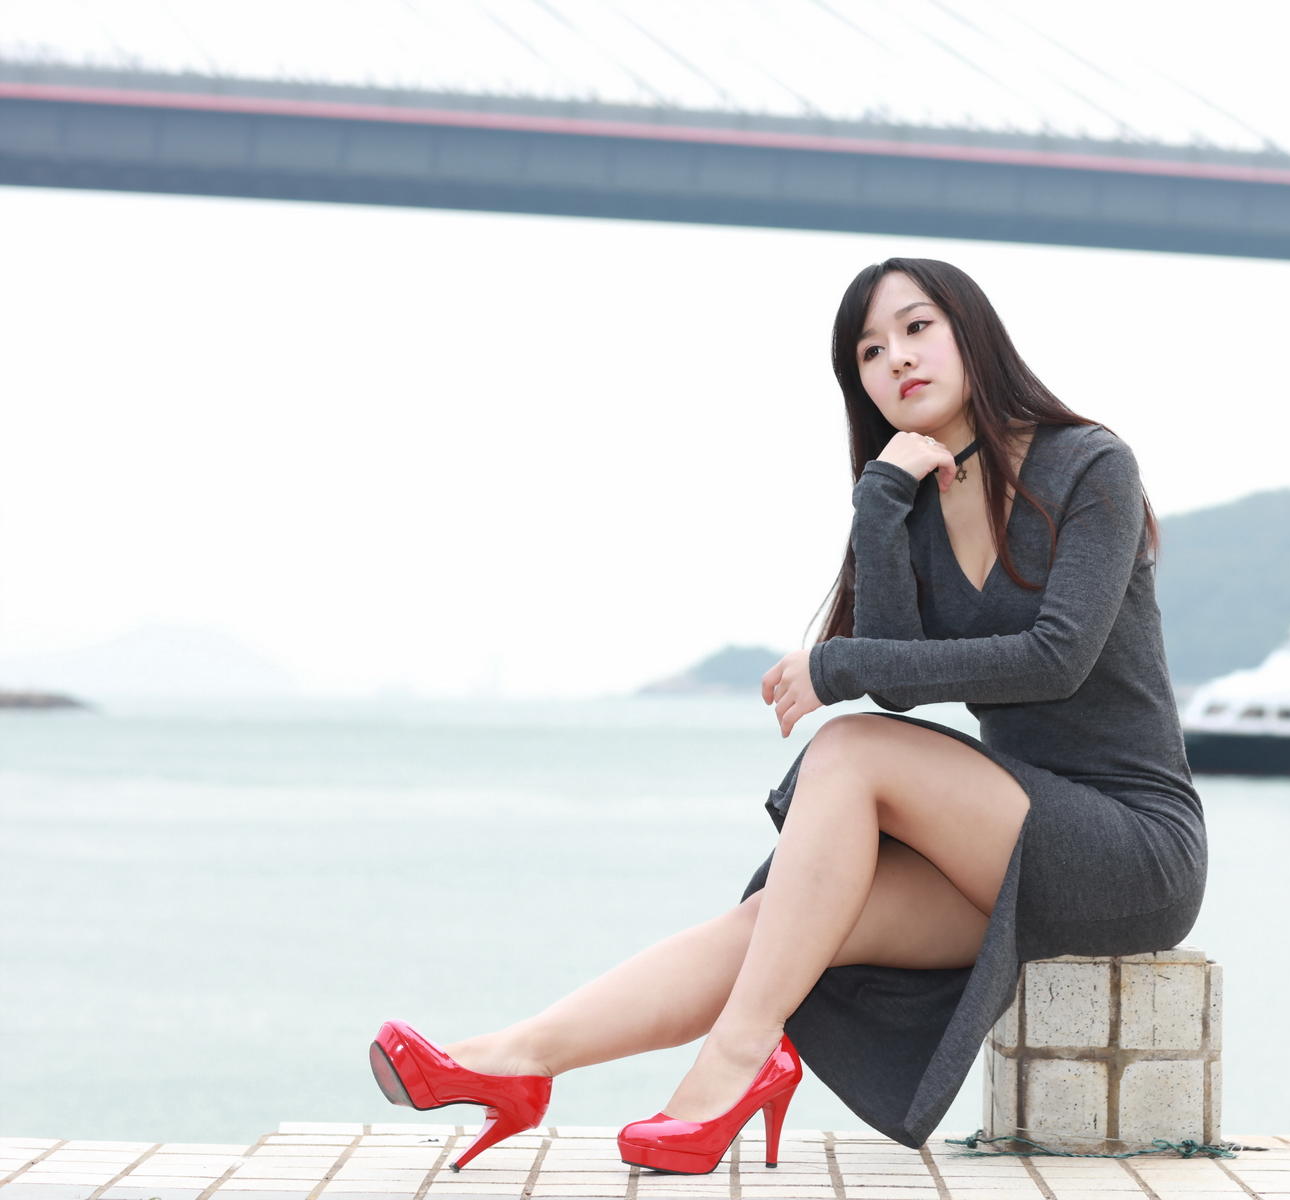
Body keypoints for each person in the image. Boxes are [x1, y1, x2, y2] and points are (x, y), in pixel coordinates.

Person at [367, 257, 1209, 1176]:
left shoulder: (1088, 464)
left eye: (917, 328)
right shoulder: (916, 496)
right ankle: (513, 1062)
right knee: (779, 924)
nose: (897, 359)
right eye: (870, 352)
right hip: (1007, 850)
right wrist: (880, 500)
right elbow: (899, 675)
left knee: (848, 748)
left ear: (972, 331)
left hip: (1133, 847)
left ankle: (736, 1060)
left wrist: (834, 664)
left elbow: (1056, 659)